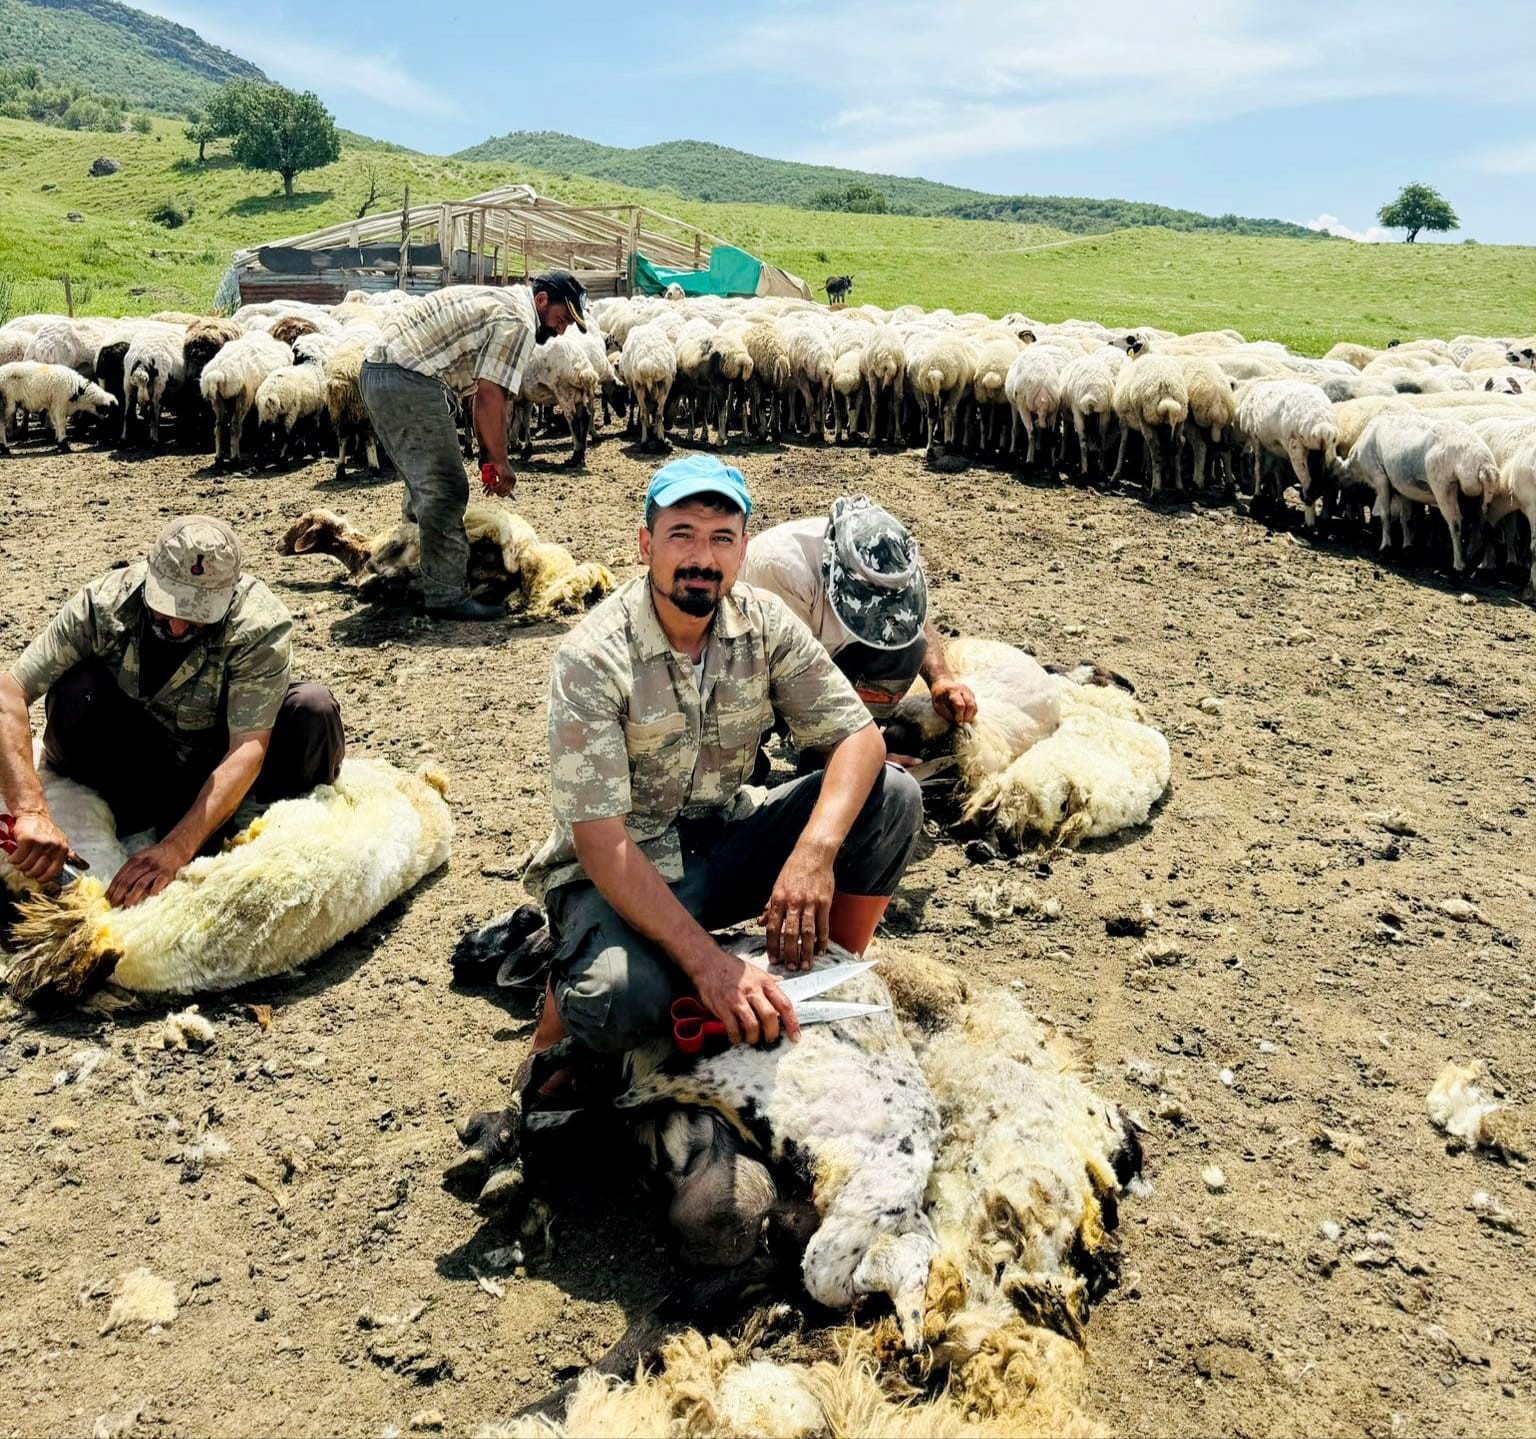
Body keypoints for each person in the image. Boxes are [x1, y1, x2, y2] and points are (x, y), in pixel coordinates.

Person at [521, 454, 924, 1057]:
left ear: (740, 552)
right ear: (645, 544)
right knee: (619, 1004)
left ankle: (818, 977)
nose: (701, 558)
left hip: (725, 835)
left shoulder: (764, 623)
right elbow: (601, 841)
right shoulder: (594, 657)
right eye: (681, 535)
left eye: (720, 539)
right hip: (622, 870)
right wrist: (710, 967)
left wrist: (814, 855)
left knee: (891, 796)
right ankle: (563, 996)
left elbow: (860, 738)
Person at [0, 516, 344, 908]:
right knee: (78, 690)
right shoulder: (104, 604)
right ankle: (126, 816)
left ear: (229, 595)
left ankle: (257, 828)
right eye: (167, 606)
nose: (178, 626)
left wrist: (176, 849)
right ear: (150, 577)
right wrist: (30, 811)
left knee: (312, 710)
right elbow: (8, 693)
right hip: (140, 762)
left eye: (199, 611)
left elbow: (248, 745)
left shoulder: (259, 625)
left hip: (212, 765)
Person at [359, 272, 589, 622]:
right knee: (446, 490)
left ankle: (407, 569)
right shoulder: (520, 321)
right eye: (561, 319)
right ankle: (446, 595)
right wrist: (500, 460)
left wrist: (486, 456)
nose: (561, 330)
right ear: (541, 301)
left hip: (383, 372)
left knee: (425, 487)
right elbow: (490, 395)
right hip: (408, 378)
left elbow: (481, 394)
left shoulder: (504, 306)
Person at [737, 494, 977, 745]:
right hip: (759, 667)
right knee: (742, 762)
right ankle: (827, 748)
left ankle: (855, 735)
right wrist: (852, 754)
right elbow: (793, 676)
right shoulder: (784, 570)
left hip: (825, 654)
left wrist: (941, 679)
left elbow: (915, 622)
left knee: (909, 646)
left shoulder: (893, 561)